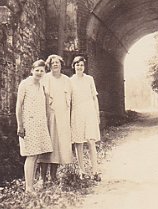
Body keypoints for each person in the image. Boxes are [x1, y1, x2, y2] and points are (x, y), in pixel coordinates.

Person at [16, 59, 53, 192]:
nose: (39, 73)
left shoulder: (42, 86)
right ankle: (29, 188)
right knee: (31, 155)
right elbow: (19, 106)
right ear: (32, 70)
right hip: (28, 123)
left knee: (37, 155)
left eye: (42, 71)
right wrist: (20, 125)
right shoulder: (24, 84)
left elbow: (46, 106)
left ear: (45, 72)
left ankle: (32, 184)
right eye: (37, 70)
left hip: (39, 123)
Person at [37, 54, 73, 182]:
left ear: (61, 64)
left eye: (57, 62)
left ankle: (53, 175)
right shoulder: (45, 79)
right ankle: (42, 178)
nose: (55, 65)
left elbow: (71, 100)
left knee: (58, 145)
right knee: (46, 145)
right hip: (48, 116)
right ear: (49, 65)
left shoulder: (67, 80)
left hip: (62, 116)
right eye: (53, 63)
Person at [70, 56, 101, 181]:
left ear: (84, 67)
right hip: (77, 112)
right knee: (78, 142)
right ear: (74, 66)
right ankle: (81, 171)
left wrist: (97, 114)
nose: (79, 67)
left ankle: (95, 171)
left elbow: (94, 97)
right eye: (77, 65)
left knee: (90, 140)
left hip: (89, 111)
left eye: (81, 65)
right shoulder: (70, 81)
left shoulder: (89, 79)